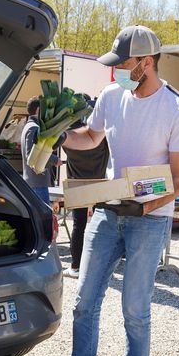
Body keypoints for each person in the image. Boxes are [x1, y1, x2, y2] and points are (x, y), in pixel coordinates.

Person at [42, 25, 179, 356]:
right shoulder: (112, 95)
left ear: (146, 62)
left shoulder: (177, 108)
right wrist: (58, 135)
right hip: (107, 214)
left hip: (150, 220)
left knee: (135, 311)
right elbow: (91, 137)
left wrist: (145, 206)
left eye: (123, 64)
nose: (116, 72)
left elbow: (178, 181)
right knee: (84, 303)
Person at [61, 96, 110, 279]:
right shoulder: (99, 137)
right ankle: (96, 265)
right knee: (101, 227)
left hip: (76, 183)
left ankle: (75, 265)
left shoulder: (68, 137)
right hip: (99, 184)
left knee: (78, 226)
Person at [21, 96, 62, 206]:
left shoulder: (29, 126)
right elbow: (31, 155)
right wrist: (54, 160)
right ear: (39, 110)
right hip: (37, 182)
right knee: (43, 218)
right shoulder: (33, 128)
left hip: (35, 182)